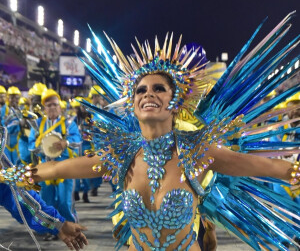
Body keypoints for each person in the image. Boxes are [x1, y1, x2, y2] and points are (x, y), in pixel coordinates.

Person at [2, 13, 300, 250]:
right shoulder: (121, 156)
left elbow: (271, 167)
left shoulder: (198, 152)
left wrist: (294, 173)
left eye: (159, 88)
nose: (148, 94)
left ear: (176, 100)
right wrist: (8, 175)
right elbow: (57, 167)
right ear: (132, 104)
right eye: (140, 90)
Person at [28, 88, 81, 240]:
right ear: (44, 108)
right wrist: (43, 148)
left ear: (60, 106)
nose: (52, 108)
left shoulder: (69, 123)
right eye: (49, 105)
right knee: (47, 201)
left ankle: (71, 229)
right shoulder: (37, 124)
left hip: (65, 168)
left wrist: (67, 142)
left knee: (65, 201)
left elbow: (78, 141)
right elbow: (31, 145)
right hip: (46, 168)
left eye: (55, 105)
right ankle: (52, 231)